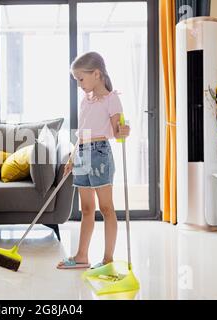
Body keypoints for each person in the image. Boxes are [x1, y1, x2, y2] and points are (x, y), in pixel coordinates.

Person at [57, 52, 130, 270]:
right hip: (81, 152)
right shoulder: (85, 100)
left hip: (99, 153)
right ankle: (82, 256)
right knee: (87, 209)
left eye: (81, 79)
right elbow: (81, 133)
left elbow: (119, 133)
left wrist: (125, 130)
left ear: (96, 74)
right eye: (77, 80)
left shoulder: (112, 98)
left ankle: (108, 259)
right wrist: (72, 157)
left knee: (106, 208)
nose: (79, 84)